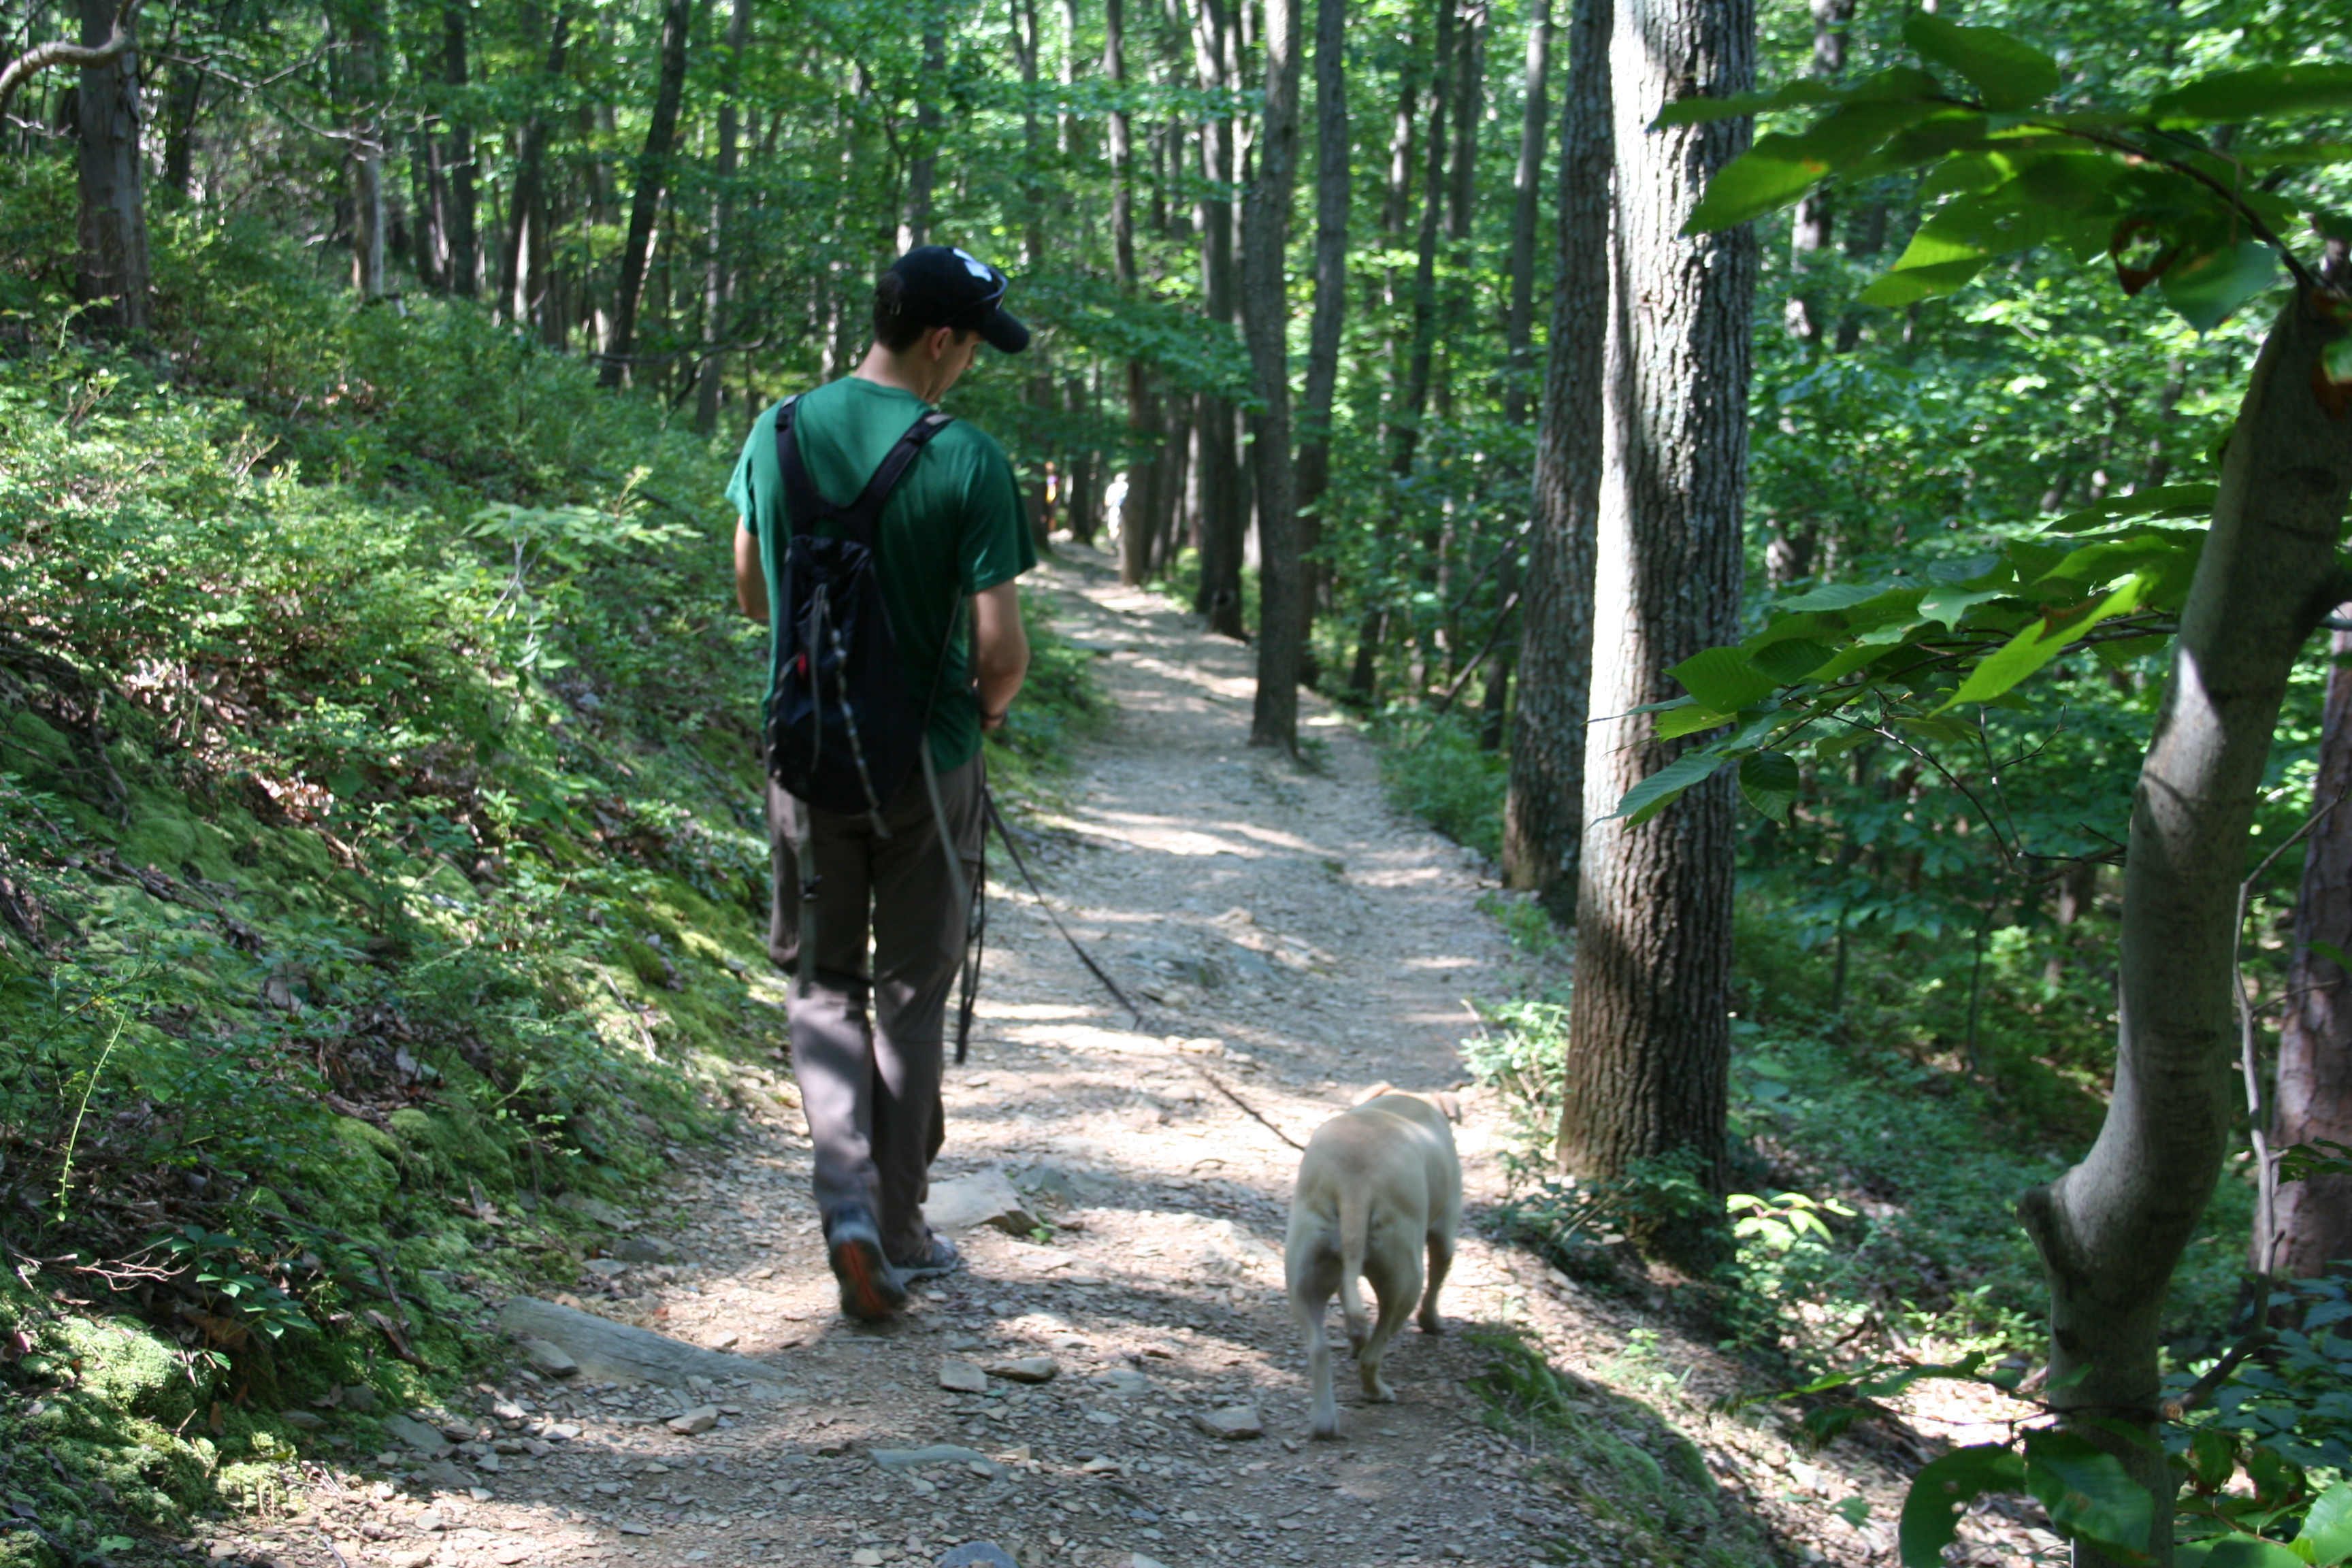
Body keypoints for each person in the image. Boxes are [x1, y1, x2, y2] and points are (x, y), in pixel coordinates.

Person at [728, 246, 1036, 1321]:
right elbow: (1000, 649)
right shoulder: (968, 461)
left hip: (805, 759)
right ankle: (899, 1234)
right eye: (971, 349)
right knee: (908, 995)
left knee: (821, 986)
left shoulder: (777, 433)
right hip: (929, 763)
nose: (968, 372)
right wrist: (987, 710)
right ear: (942, 341)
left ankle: (844, 1206)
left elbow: (749, 589)